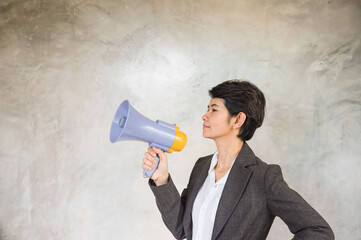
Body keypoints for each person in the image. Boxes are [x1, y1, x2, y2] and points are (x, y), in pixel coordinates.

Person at [142, 80, 334, 240]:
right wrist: (162, 180)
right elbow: (181, 229)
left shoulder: (263, 176)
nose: (204, 116)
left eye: (213, 109)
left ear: (238, 120)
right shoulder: (202, 166)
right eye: (207, 108)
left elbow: (318, 231)